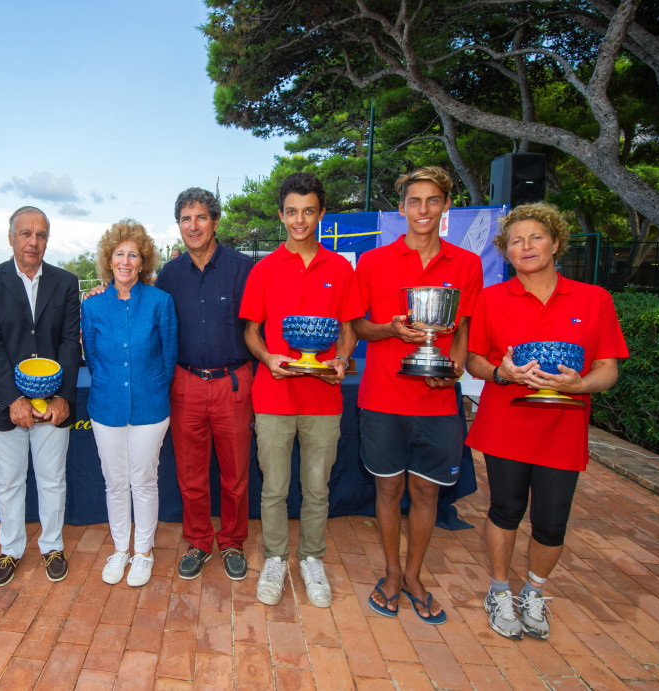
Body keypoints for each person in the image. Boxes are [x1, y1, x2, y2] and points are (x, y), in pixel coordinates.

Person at [466, 203, 627, 641]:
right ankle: (500, 591)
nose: (526, 247)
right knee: (505, 510)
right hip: (507, 424)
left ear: (556, 243)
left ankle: (534, 592)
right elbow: (475, 360)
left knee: (552, 522)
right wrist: (503, 373)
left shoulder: (594, 299)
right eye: (516, 241)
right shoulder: (492, 299)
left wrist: (580, 384)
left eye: (535, 237)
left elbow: (609, 369)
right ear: (506, 251)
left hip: (563, 428)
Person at [354, 165, 482, 625]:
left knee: (426, 494)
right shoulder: (373, 262)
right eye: (414, 201)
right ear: (402, 207)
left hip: (437, 400)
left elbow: (464, 329)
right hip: (384, 398)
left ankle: (414, 575)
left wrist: (455, 371)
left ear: (446, 206)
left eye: (432, 201)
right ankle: (391, 574)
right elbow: (359, 326)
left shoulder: (466, 266)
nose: (423, 210)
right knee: (388, 490)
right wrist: (389, 328)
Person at [239, 172, 359, 608]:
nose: (300, 220)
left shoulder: (340, 268)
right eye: (292, 212)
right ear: (281, 215)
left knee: (317, 488)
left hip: (324, 398)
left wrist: (342, 359)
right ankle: (274, 558)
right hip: (273, 396)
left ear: (321, 213)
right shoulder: (264, 269)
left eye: (308, 211)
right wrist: (269, 358)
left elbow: (348, 330)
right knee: (273, 488)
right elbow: (251, 332)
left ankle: (311, 558)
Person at [0, 206, 82, 586]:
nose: (33, 241)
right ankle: (11, 549)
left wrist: (63, 396)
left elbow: (70, 342)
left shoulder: (66, 282)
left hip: (54, 405)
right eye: (25, 233)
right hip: (7, 403)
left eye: (40, 234)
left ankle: (52, 545)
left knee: (52, 479)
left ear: (47, 239)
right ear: (11, 238)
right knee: (9, 481)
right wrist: (12, 399)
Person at [155, 188, 254, 580]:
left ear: (215, 220)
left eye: (200, 217)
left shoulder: (242, 268)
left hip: (233, 383)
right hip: (187, 385)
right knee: (191, 476)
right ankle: (198, 542)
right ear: (178, 225)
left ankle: (231, 542)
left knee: (235, 475)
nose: (193, 226)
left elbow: (256, 329)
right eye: (185, 219)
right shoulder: (168, 274)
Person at [82, 220, 177, 587]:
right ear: (109, 260)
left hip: (150, 408)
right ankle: (121, 549)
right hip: (106, 407)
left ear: (143, 261)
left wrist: (150, 387)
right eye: (119, 254)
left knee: (143, 480)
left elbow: (169, 357)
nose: (125, 261)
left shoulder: (160, 302)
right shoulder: (92, 307)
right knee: (115, 481)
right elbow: (91, 357)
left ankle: (143, 552)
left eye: (132, 255)